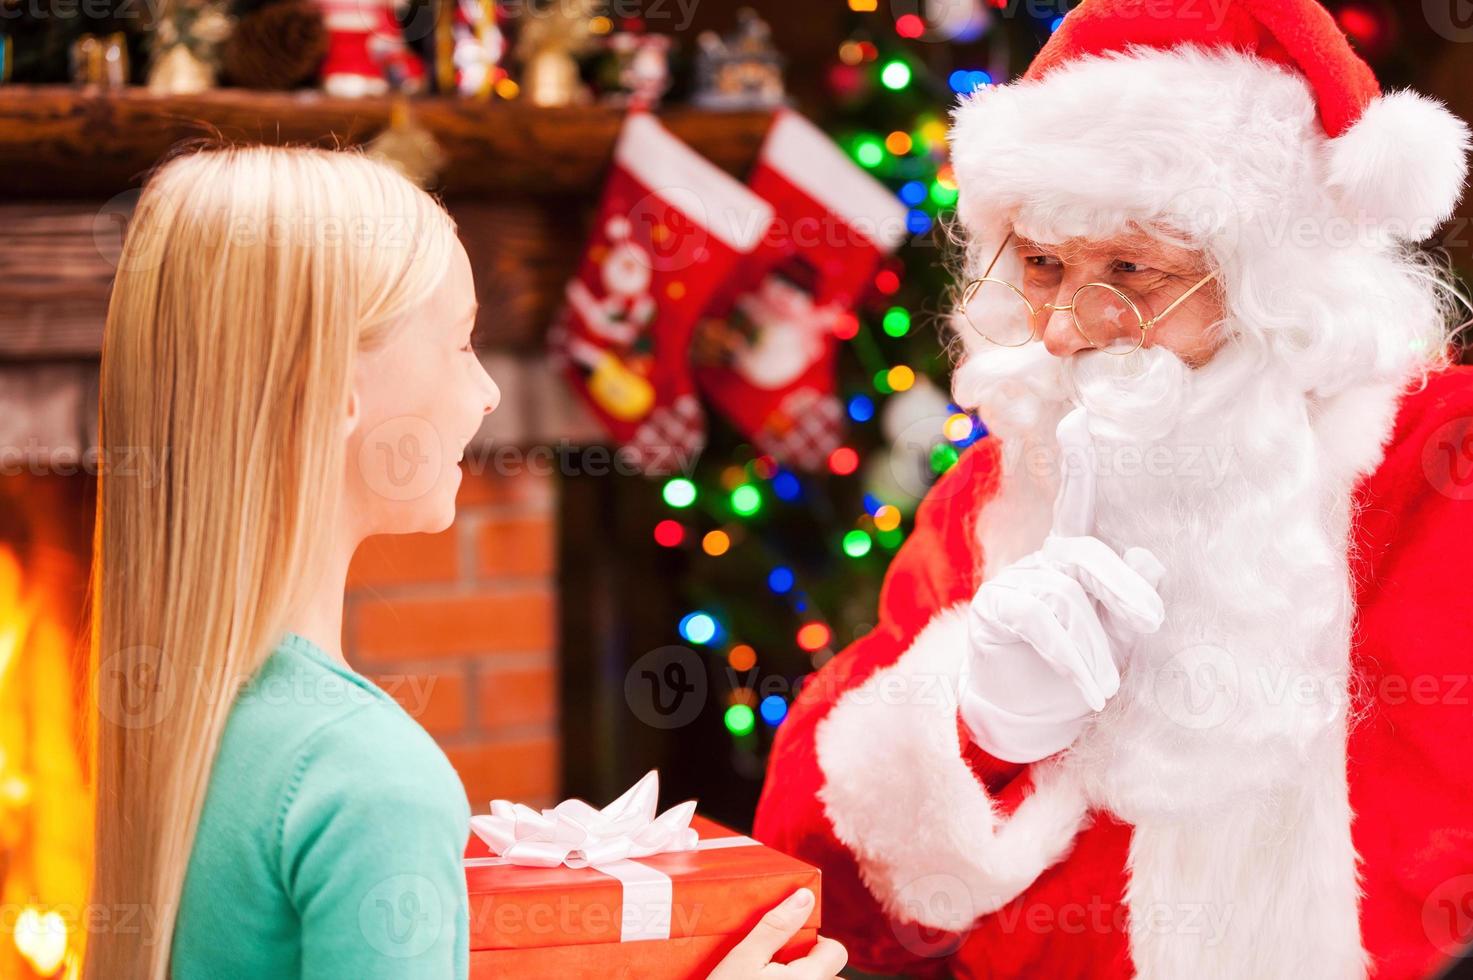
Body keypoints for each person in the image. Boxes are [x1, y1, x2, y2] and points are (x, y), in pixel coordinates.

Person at [754, 1, 1473, 978]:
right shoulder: (999, 490)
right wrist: (973, 727)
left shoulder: (1440, 471)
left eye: (1131, 269)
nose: (1063, 333)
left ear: (1278, 281)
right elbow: (821, 891)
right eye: (1044, 266)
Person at [84, 145, 848, 980]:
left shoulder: (174, 706)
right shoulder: (372, 780)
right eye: (458, 343)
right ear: (331, 387)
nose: (487, 391)